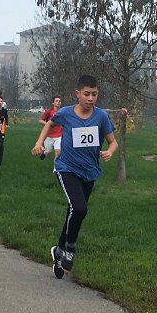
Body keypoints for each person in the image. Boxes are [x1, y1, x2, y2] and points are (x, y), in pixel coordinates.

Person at [31, 75, 118, 279]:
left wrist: (110, 152)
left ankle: (58, 250)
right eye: (86, 94)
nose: (90, 99)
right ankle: (69, 248)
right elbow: (50, 124)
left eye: (94, 94)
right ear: (78, 93)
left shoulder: (102, 117)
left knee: (75, 212)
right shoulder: (66, 113)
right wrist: (39, 143)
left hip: (89, 171)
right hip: (66, 168)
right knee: (79, 208)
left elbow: (112, 142)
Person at [38, 95, 62, 160]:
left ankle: (56, 169)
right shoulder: (49, 111)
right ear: (53, 103)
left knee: (58, 153)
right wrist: (48, 124)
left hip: (59, 136)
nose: (58, 102)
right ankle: (44, 152)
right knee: (48, 152)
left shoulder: (62, 112)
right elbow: (40, 120)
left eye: (59, 101)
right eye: (56, 101)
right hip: (49, 135)